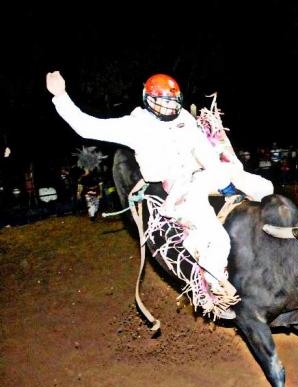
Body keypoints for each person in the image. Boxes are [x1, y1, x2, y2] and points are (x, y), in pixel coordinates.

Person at [46, 71, 274, 317]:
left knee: (264, 187)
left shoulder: (185, 118)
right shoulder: (134, 125)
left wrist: (225, 182)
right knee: (214, 239)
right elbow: (86, 126)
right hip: (178, 188)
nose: (168, 107)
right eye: (162, 101)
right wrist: (60, 96)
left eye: (172, 101)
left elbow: (206, 153)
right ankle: (214, 291)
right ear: (149, 100)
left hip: (203, 174)